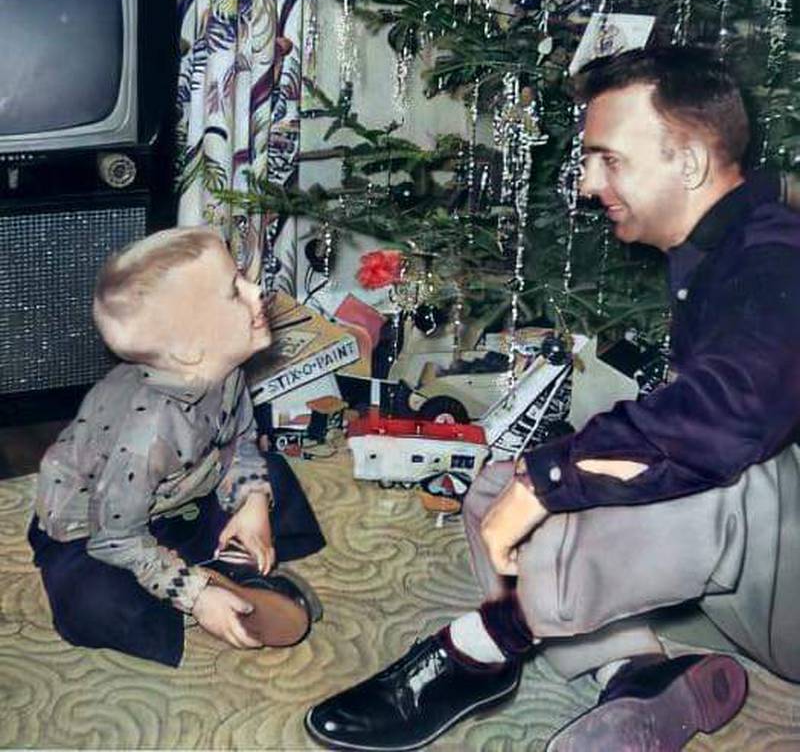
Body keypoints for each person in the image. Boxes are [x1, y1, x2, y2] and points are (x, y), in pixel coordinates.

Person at [304, 46, 800, 751]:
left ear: (689, 163)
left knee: (716, 468)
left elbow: (730, 417)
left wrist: (551, 483)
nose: (589, 182)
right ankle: (631, 673)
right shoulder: (716, 248)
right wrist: (536, 479)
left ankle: (482, 646)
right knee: (498, 482)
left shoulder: (777, 255)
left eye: (609, 159)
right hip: (752, 587)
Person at [29, 226, 325, 667]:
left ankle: (218, 567)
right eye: (234, 291)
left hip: (181, 494)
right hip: (97, 530)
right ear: (190, 350)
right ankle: (208, 585)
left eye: (243, 276)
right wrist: (196, 594)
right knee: (91, 603)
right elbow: (116, 539)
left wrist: (252, 502)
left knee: (274, 474)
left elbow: (239, 440)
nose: (256, 288)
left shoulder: (224, 369)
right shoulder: (144, 436)